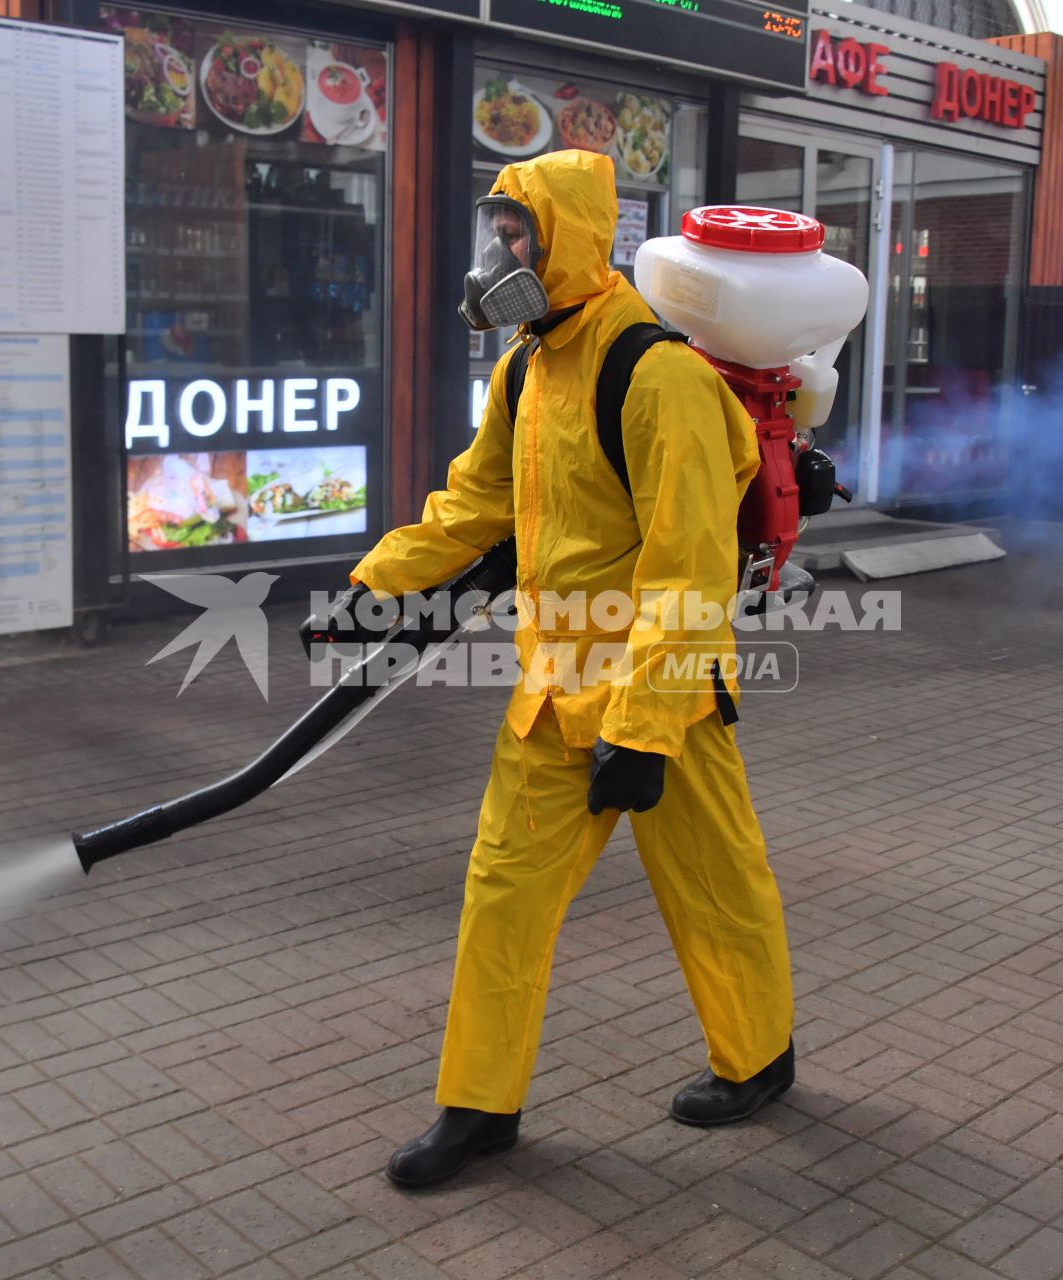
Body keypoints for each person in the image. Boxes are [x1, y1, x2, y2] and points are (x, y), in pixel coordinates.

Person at [341, 150, 796, 1187]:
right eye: (497, 231)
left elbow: (689, 569)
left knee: (716, 888)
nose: (502, 252)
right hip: (551, 699)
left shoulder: (660, 375)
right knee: (500, 898)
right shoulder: (526, 368)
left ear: (575, 238)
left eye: (520, 233)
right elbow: (476, 502)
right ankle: (478, 1105)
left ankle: (760, 1056)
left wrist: (639, 731)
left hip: (663, 703)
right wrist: (379, 577)